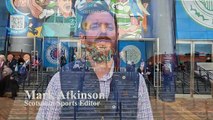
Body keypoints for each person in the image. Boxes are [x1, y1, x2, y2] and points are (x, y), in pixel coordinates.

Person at [36, 2, 153, 120]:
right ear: (82, 38)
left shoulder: (136, 81)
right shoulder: (61, 80)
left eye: (109, 27)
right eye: (95, 26)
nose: (103, 32)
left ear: (117, 36)